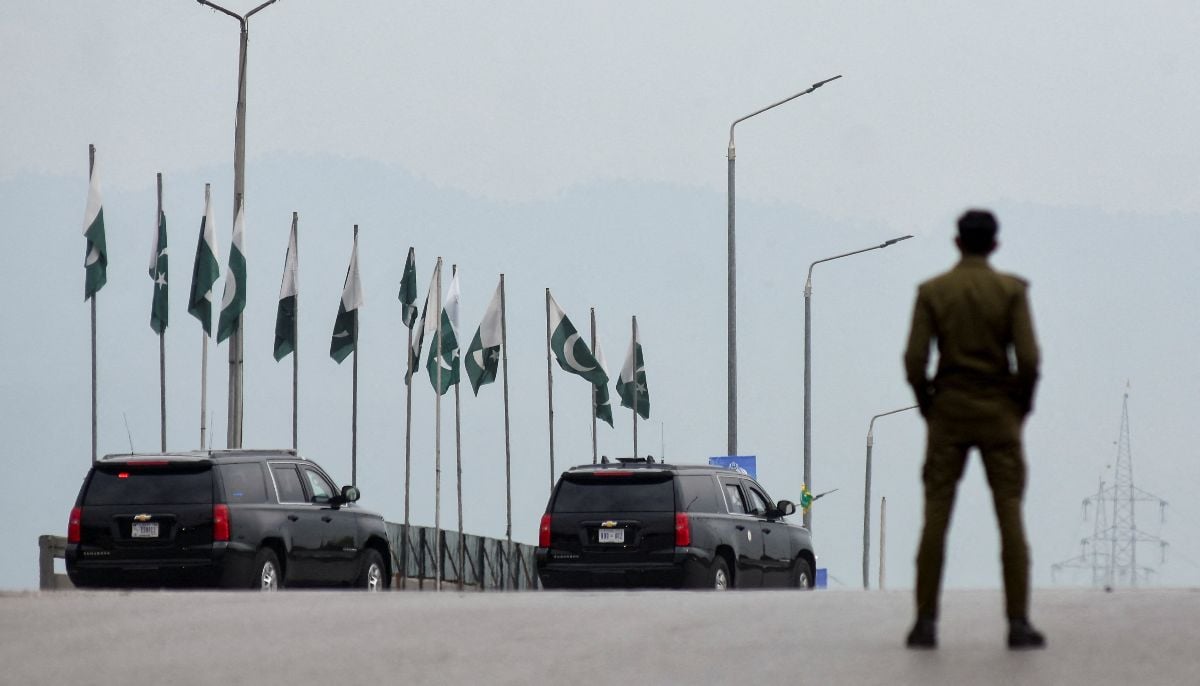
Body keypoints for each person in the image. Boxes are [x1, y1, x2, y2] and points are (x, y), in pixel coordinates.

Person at [902, 209, 1046, 650]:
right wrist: (1019, 407)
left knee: (936, 519)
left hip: (948, 412)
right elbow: (1030, 359)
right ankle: (1018, 623)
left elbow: (913, 359)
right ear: (995, 245)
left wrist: (928, 404)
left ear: (957, 243)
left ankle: (925, 623)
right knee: (1009, 516)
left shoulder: (933, 292)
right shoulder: (1010, 291)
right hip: (999, 412)